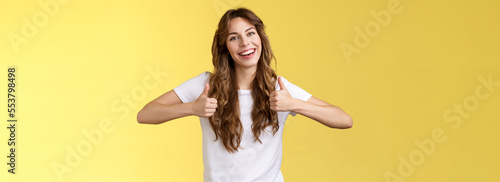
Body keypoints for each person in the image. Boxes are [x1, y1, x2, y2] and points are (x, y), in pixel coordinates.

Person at [137, 8, 353, 182]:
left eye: (250, 33)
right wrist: (191, 108)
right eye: (234, 38)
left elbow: (344, 119)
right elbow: (145, 114)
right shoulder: (206, 85)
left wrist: (294, 104)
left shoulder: (279, 87)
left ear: (260, 38)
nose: (245, 43)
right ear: (225, 47)